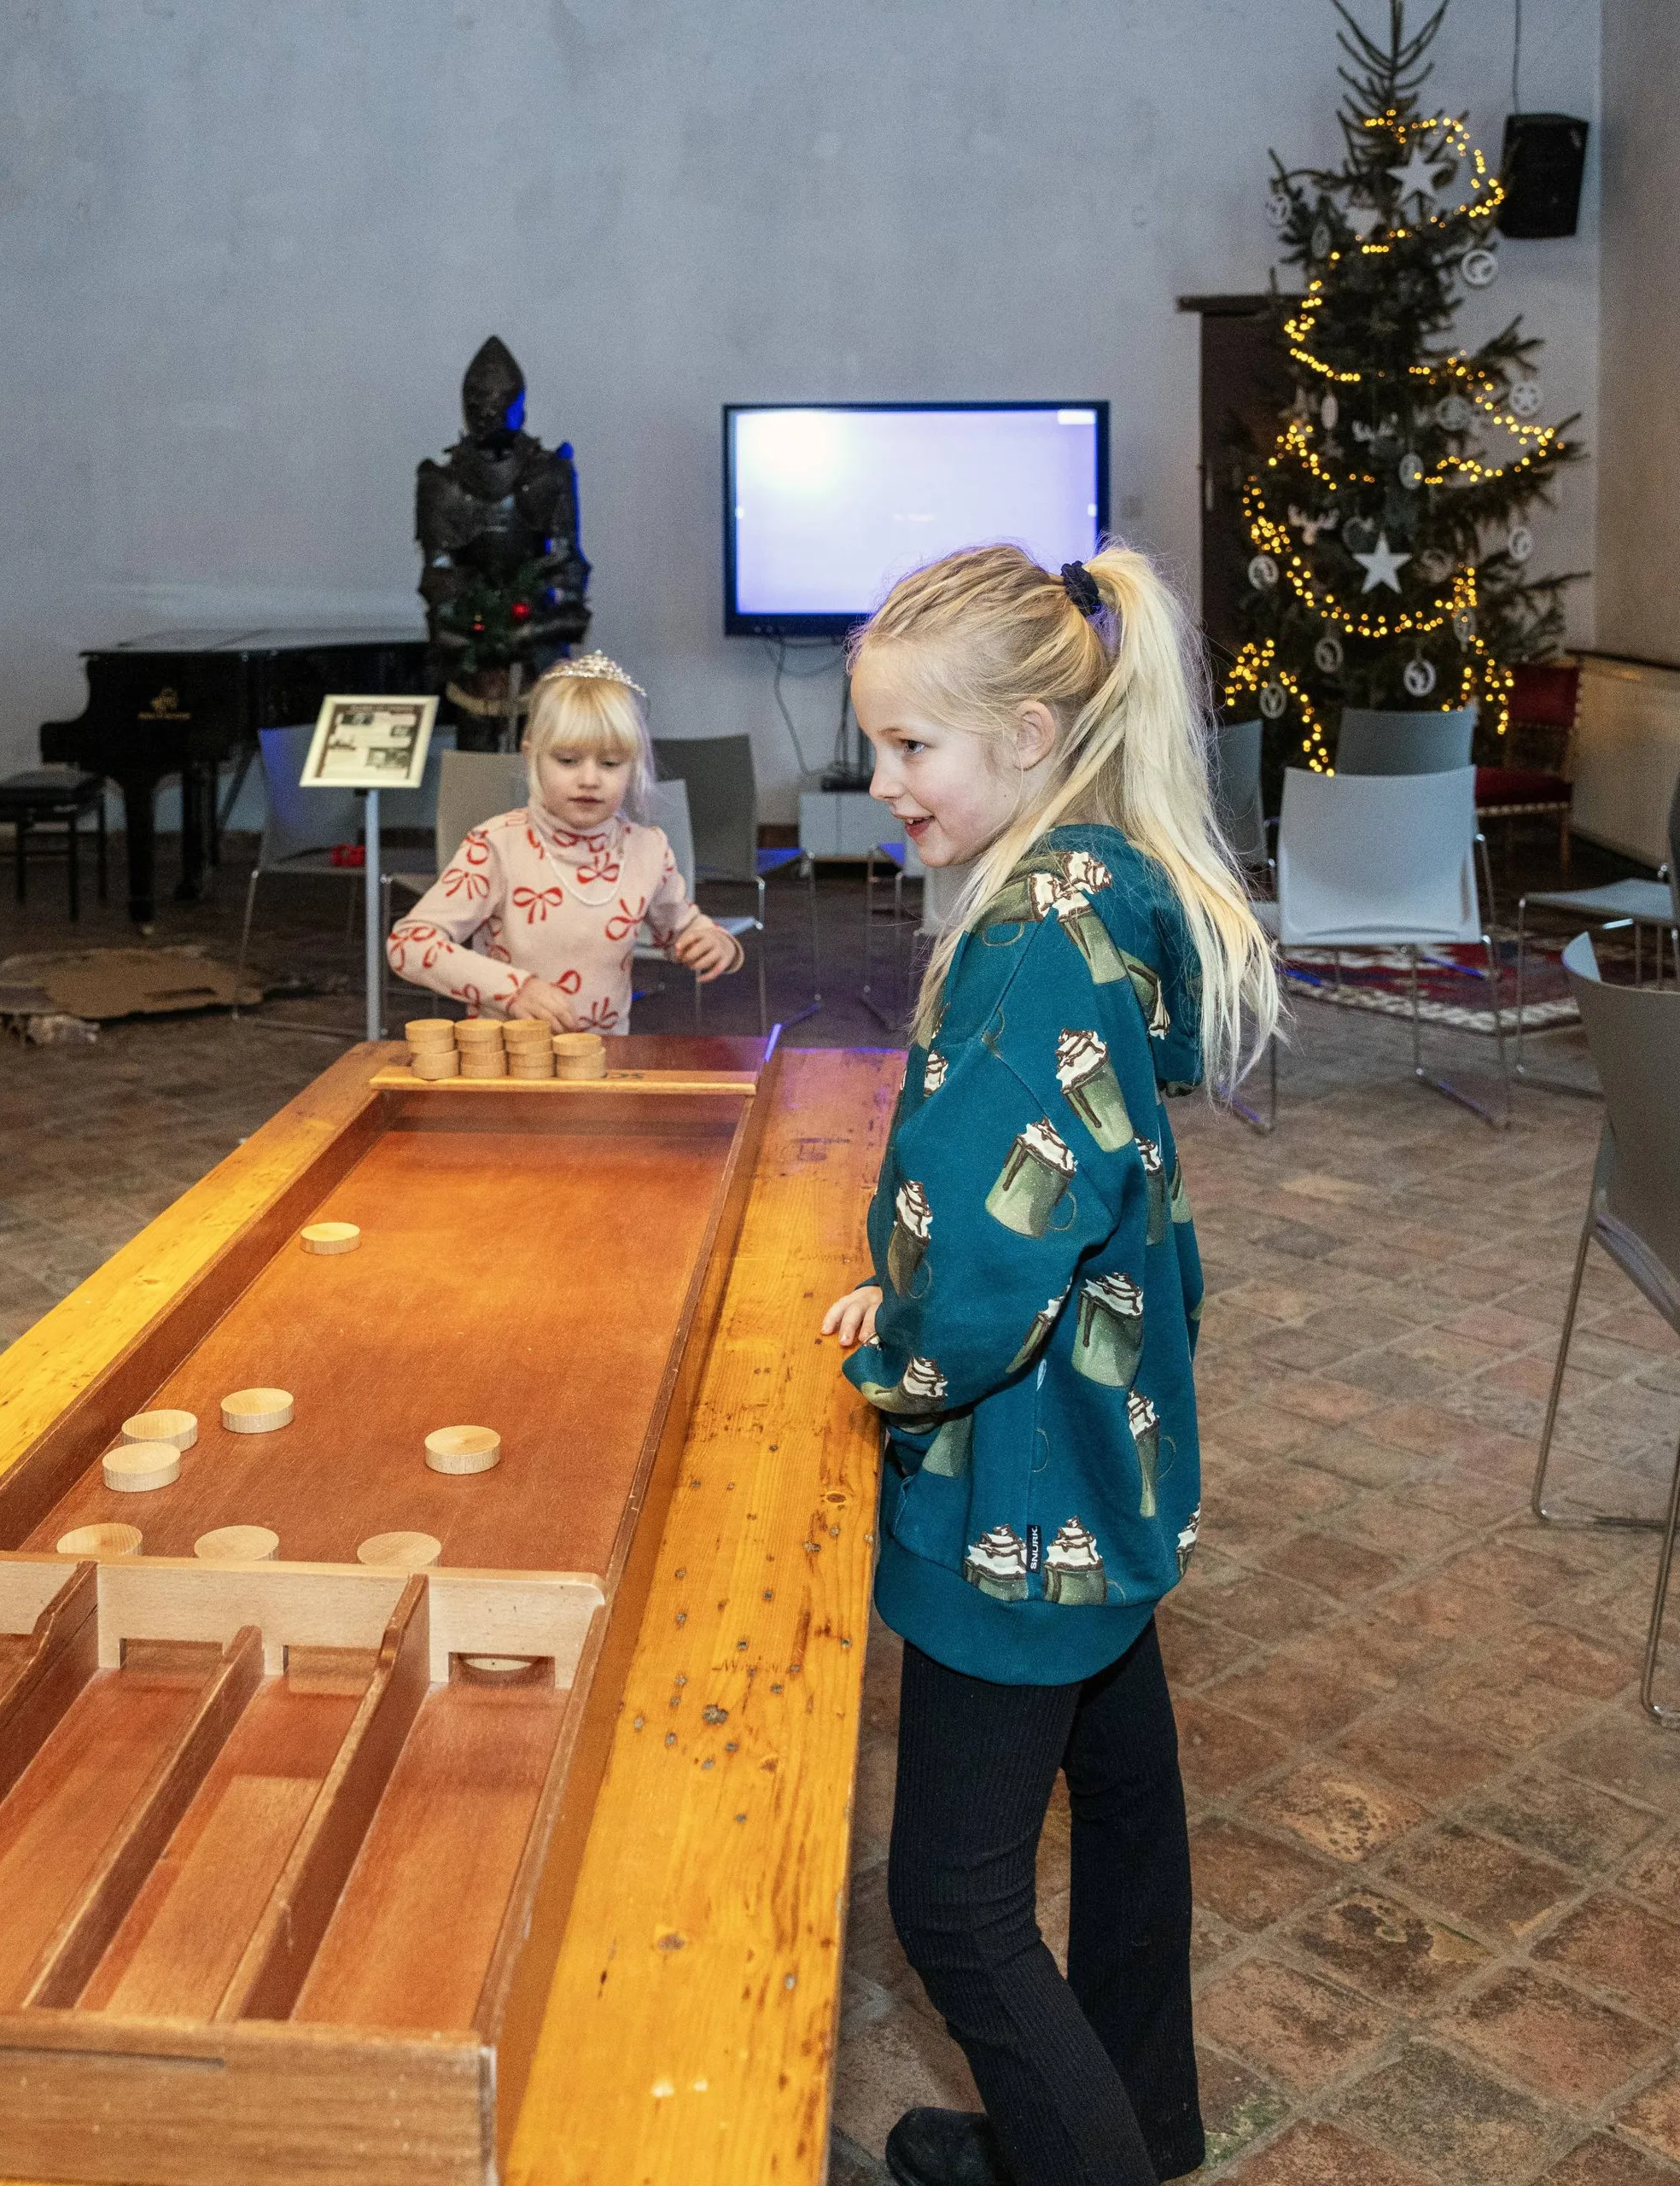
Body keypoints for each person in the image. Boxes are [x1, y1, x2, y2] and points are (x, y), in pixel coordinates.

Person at [817, 546, 1278, 2186]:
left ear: (1022, 732)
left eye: (909, 751)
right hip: (1114, 1447)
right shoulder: (1095, 877)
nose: (880, 785)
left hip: (1016, 1478)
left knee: (948, 1907)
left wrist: (901, 1351)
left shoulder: (1022, 940)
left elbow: (993, 1250)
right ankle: (1125, 2126)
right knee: (1128, 1811)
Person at [384, 652, 744, 1029]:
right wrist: (512, 990)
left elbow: (682, 929)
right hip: (507, 1061)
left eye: (610, 763)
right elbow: (410, 944)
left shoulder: (647, 849)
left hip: (602, 1061)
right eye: (568, 760)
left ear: (633, 766)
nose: (589, 779)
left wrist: (715, 943)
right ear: (531, 758)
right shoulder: (495, 846)